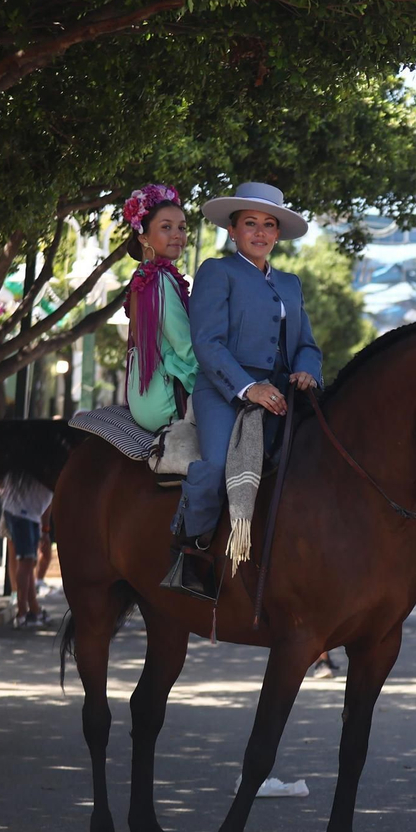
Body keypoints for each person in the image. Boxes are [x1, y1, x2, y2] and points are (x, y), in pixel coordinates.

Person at [168, 182, 322, 599]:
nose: (260, 232)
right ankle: (192, 550)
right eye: (250, 223)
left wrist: (308, 371)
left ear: (277, 234)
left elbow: (307, 344)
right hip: (224, 390)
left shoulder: (290, 283)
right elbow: (208, 342)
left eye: (268, 225)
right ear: (232, 231)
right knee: (217, 466)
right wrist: (248, 388)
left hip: (283, 393)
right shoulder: (218, 272)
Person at [122, 183, 199, 433]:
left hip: (144, 396)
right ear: (143, 236)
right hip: (165, 400)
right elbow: (185, 347)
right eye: (166, 227)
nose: (178, 235)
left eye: (182, 228)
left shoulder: (144, 276)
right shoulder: (158, 279)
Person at [0, 474, 53, 627]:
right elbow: (48, 505)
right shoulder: (50, 467)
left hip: (25, 512)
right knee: (26, 561)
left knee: (29, 562)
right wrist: (46, 531)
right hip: (22, 513)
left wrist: (45, 531)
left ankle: (32, 610)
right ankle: (22, 613)